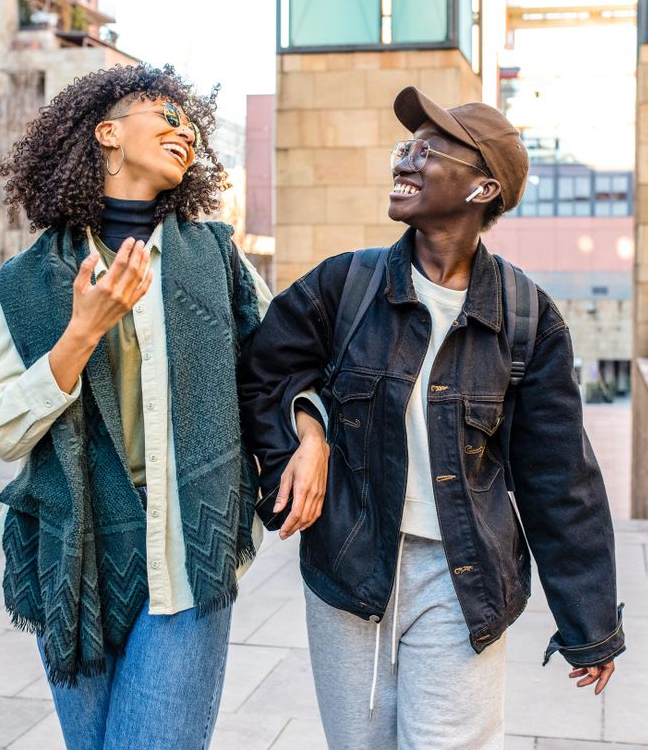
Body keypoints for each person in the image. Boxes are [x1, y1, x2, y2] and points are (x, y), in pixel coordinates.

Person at [239, 86, 625, 750]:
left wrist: (589, 622)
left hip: (463, 576)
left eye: (428, 150)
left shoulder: (526, 319)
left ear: (481, 190)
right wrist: (307, 430)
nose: (405, 161)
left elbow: (558, 477)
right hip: (350, 568)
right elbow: (264, 372)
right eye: (404, 148)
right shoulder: (345, 286)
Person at [0, 63, 325, 750]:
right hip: (72, 565)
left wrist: (310, 430)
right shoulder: (32, 277)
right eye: (163, 113)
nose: (183, 129)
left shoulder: (214, 256)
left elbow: (285, 364)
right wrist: (82, 331)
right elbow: (0, 426)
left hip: (189, 552)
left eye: (189, 122)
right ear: (106, 132)